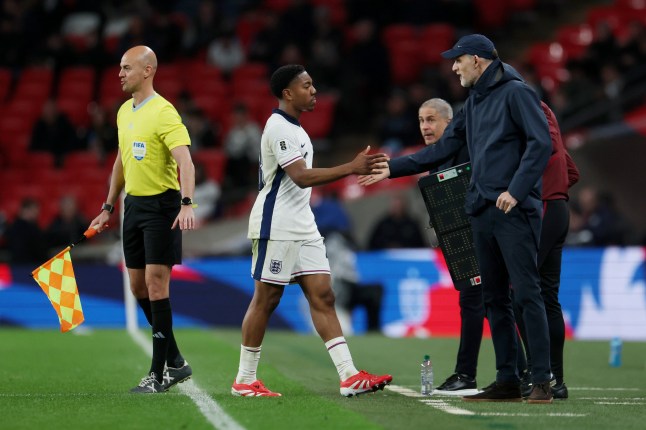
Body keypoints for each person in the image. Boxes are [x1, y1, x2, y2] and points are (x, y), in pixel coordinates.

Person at [360, 34, 554, 403]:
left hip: (513, 209)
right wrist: (392, 169)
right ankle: (508, 379)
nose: (453, 67)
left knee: (527, 294)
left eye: (458, 60)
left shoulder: (517, 93)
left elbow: (540, 143)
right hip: (481, 211)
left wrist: (516, 190)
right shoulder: (475, 100)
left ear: (478, 60)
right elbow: (444, 148)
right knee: (494, 299)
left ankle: (542, 379)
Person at [231, 64, 392, 397]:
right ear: (288, 93)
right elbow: (302, 177)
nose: (314, 90)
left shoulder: (298, 129)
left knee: (324, 295)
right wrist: (351, 167)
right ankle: (244, 380)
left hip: (303, 224)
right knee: (266, 299)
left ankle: (349, 375)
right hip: (276, 224)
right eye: (307, 85)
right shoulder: (278, 127)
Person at [89, 45, 195, 394]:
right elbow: (120, 162)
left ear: (148, 70)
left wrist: (187, 202)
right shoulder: (123, 112)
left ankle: (158, 374)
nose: (119, 73)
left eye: (126, 68)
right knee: (137, 288)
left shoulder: (164, 112)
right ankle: (177, 360)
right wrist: (108, 206)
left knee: (155, 285)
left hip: (162, 207)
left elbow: (186, 161)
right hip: (132, 206)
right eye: (119, 68)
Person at [513, 101, 580, 400]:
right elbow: (571, 171)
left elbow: (548, 145)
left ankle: (538, 374)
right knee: (547, 296)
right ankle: (556, 380)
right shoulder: (540, 109)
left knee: (520, 293)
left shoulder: (530, 106)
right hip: (555, 207)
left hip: (544, 209)